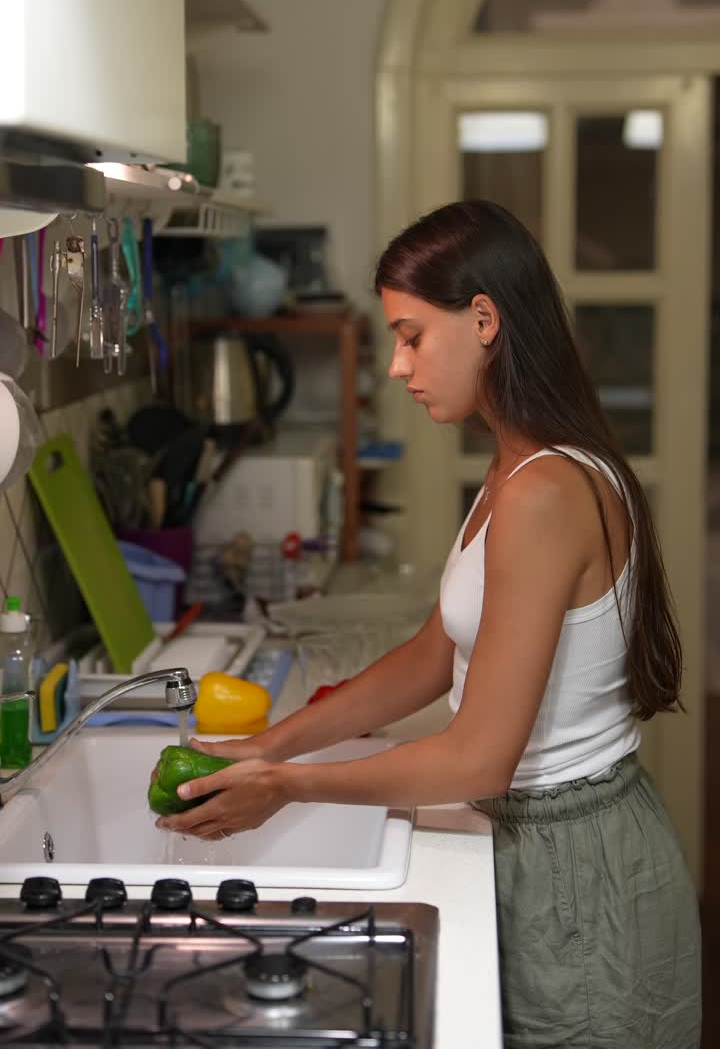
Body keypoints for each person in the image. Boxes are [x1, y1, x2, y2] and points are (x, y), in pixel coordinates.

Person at [155, 200, 701, 1048]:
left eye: (413, 335)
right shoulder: (516, 469)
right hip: (547, 846)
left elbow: (480, 756)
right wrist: (275, 746)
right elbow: (429, 655)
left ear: (484, 319)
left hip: (578, 872)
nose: (400, 366)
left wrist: (288, 787)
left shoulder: (547, 492)